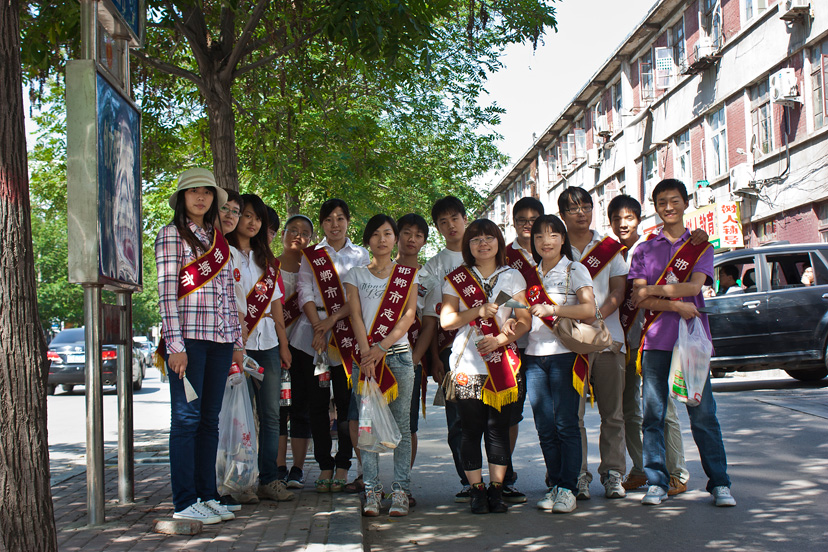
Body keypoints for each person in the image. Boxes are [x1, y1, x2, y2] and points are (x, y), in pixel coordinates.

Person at [630, 178, 736, 507]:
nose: (669, 207)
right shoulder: (645, 249)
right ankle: (657, 482)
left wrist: (651, 290)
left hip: (692, 343)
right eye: (662, 202)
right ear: (655, 207)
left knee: (703, 415)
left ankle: (720, 483)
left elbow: (693, 288)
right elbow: (638, 299)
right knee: (653, 415)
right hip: (656, 341)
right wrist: (674, 305)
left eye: (674, 200)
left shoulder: (700, 246)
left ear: (685, 203)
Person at [155, 168, 243, 524]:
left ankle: (208, 495)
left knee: (210, 421)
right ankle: (184, 501)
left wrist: (237, 342)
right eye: (194, 192)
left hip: (220, 341)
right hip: (189, 342)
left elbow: (228, 295)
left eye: (207, 192)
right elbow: (166, 294)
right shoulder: (171, 235)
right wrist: (174, 345)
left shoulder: (218, 241)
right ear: (182, 198)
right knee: (186, 419)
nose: (201, 197)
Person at [439, 219, 531, 514]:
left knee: (498, 430)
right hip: (467, 364)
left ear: (498, 242)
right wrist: (477, 310)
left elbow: (525, 320)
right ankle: (477, 490)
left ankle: (496, 489)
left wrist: (501, 339)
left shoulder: (512, 277)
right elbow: (447, 321)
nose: (483, 244)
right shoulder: (457, 278)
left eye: (488, 238)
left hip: (501, 362)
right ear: (468, 246)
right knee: (470, 430)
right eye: (476, 239)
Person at [609, 194, 691, 496]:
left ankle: (677, 471)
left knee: (663, 409)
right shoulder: (607, 254)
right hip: (623, 343)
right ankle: (641, 467)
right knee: (628, 411)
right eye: (617, 219)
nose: (622, 224)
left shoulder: (651, 249)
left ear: (639, 219)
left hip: (654, 339)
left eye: (628, 218)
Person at [344, 215, 418, 517]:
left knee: (402, 426)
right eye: (375, 234)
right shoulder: (355, 274)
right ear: (367, 241)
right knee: (368, 426)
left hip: (398, 356)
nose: (382, 239)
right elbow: (355, 316)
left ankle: (400, 491)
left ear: (395, 238)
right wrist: (367, 354)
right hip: (365, 360)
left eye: (387, 233)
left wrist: (381, 347)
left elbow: (409, 315)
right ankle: (372, 491)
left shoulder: (408, 275)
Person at [558, 187, 628, 500]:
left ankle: (613, 474)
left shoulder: (609, 248)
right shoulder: (555, 249)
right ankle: (579, 474)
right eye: (574, 209)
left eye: (586, 206)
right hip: (569, 344)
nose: (582, 213)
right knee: (573, 416)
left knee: (612, 413)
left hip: (607, 340)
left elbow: (618, 292)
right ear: (562, 215)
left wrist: (594, 317)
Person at [524, 214, 596, 514]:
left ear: (563, 239)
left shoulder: (574, 269)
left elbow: (589, 309)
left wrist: (552, 308)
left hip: (566, 354)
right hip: (533, 356)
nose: (546, 241)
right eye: (539, 236)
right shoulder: (528, 274)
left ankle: (569, 488)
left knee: (566, 424)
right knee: (544, 427)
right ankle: (555, 485)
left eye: (553, 235)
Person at [295, 198, 369, 493]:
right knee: (316, 404)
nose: (334, 224)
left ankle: (343, 465)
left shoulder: (361, 255)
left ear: (348, 221)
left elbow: (360, 295)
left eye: (340, 218)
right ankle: (324, 464)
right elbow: (304, 290)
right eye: (328, 220)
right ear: (322, 224)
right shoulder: (312, 255)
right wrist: (318, 326)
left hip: (347, 336)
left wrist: (330, 322)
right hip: (313, 338)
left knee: (347, 405)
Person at [226, 194, 294, 503]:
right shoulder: (224, 254)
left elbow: (277, 304)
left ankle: (269, 479)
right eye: (247, 215)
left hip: (267, 344)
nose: (252, 222)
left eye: (257, 218)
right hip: (236, 345)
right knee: (238, 415)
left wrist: (283, 345)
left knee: (271, 415)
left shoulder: (267, 261)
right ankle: (240, 481)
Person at [419, 196, 470, 502]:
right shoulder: (433, 267)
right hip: (450, 353)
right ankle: (469, 480)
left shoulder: (484, 252)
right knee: (458, 420)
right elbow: (428, 317)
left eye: (455, 218)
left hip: (489, 346)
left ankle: (502, 478)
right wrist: (434, 359)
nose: (451, 225)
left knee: (495, 418)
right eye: (443, 222)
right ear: (437, 228)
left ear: (465, 218)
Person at [499, 196, 545, 504]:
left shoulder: (553, 248)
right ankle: (505, 473)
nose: (528, 225)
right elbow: (498, 293)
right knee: (509, 414)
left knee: (548, 415)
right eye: (522, 220)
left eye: (533, 220)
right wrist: (518, 309)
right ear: (513, 223)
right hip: (515, 345)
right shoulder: (505, 255)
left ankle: (558, 473)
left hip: (550, 344)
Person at [395, 213, 434, 507]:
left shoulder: (428, 278)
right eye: (406, 232)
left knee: (407, 425)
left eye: (418, 235)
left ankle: (402, 485)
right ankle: (368, 480)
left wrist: (416, 358)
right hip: (376, 357)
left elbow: (429, 323)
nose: (412, 239)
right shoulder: (380, 270)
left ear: (424, 241)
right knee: (369, 421)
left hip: (410, 357)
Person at [275, 214, 314, 489]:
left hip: (303, 346)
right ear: (283, 234)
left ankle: (297, 468)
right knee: (276, 410)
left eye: (305, 232)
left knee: (302, 408)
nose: (298, 236)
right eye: (293, 230)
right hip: (272, 346)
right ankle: (278, 466)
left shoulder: (313, 269)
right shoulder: (268, 265)